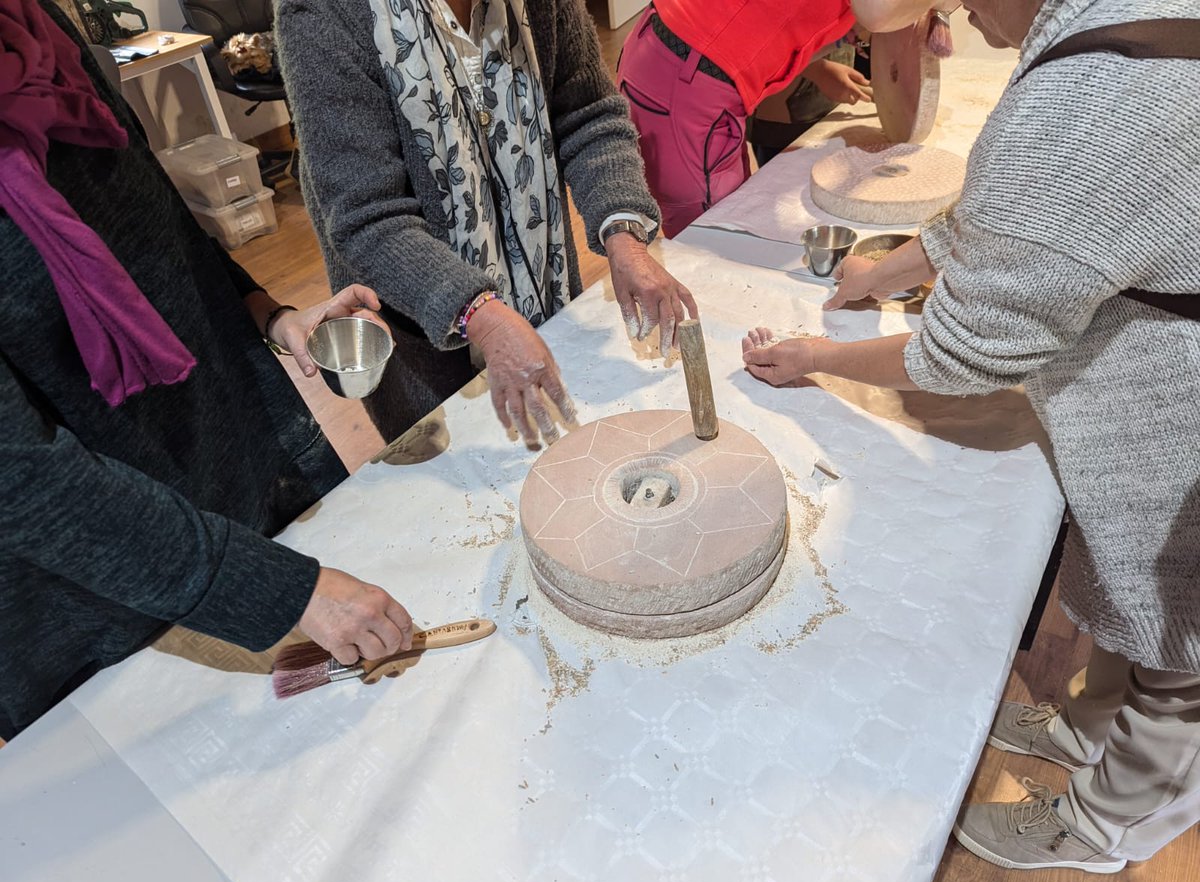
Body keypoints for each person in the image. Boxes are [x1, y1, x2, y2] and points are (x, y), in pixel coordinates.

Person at [741, 0, 1200, 873]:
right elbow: (1004, 219)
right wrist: (890, 266)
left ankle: (1112, 823)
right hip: (1154, 365)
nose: (963, 17)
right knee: (1130, 583)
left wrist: (815, 359)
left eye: (963, 2)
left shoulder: (1088, 96)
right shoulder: (1097, 24)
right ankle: (1088, 724)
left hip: (1180, 404)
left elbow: (959, 352)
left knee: (1180, 634)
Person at [0, 0, 415, 739]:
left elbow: (156, 228)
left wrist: (267, 313)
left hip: (226, 469)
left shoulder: (39, 29)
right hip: (99, 597)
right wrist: (276, 590)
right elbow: (21, 481)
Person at [275, 0, 698, 448]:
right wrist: (483, 317)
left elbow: (587, 112)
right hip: (423, 338)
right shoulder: (324, 13)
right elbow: (370, 219)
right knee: (474, 489)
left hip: (542, 291)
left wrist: (623, 234)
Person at [617, 0, 946, 238]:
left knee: (723, 230)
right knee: (712, 239)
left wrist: (816, 67)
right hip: (683, 82)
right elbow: (878, 11)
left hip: (674, 59)